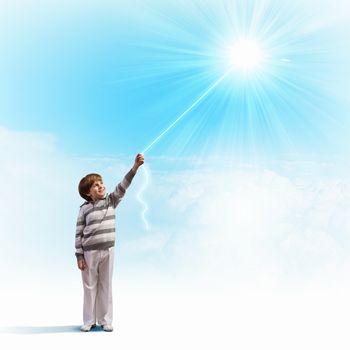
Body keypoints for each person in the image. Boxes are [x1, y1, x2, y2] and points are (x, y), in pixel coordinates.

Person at [75, 153, 145, 332]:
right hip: (89, 253)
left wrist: (135, 167)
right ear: (87, 193)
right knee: (90, 287)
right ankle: (89, 320)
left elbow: (124, 185)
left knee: (106, 284)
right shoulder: (84, 209)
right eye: (95, 185)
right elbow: (78, 233)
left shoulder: (111, 201)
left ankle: (106, 320)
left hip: (108, 250)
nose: (100, 186)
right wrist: (79, 255)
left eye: (101, 183)